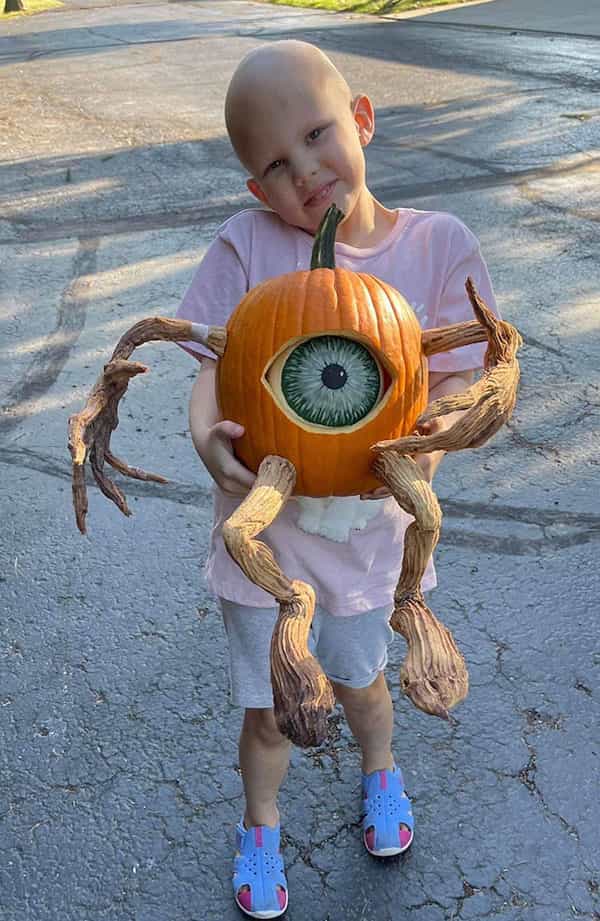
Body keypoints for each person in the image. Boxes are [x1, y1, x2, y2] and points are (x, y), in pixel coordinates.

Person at [176, 39, 498, 919]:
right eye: (276, 166)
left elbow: (462, 379)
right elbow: (210, 363)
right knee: (269, 708)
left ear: (361, 119)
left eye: (317, 135)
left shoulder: (437, 246)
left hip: (371, 544)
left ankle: (380, 771)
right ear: (257, 189)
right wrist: (207, 438)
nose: (305, 172)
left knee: (363, 683)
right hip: (266, 546)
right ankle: (261, 826)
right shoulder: (247, 247)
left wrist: (427, 451)